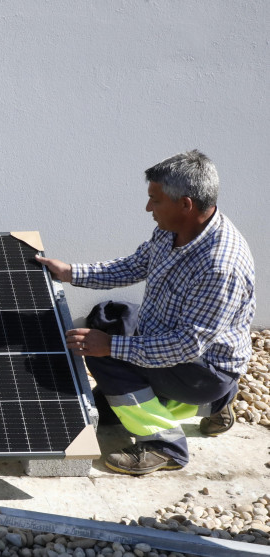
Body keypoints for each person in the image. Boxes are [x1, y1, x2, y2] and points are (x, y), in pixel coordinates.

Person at [37, 150, 255, 475]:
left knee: (101, 354)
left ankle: (164, 447)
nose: (148, 208)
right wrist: (71, 272)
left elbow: (183, 347)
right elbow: (136, 265)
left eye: (155, 200)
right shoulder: (175, 229)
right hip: (180, 347)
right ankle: (215, 404)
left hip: (203, 370)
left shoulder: (220, 267)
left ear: (186, 203)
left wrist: (110, 347)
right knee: (113, 316)